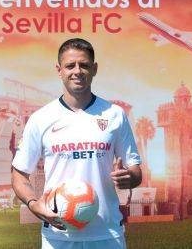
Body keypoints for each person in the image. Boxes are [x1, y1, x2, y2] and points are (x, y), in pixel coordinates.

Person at [11, 38, 142, 249]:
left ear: (95, 69)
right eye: (70, 65)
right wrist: (34, 204)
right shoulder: (41, 118)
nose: (77, 71)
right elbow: (19, 175)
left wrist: (130, 177)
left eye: (84, 65)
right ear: (59, 70)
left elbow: (135, 170)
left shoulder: (115, 115)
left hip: (107, 234)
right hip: (58, 236)